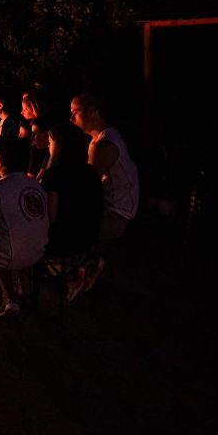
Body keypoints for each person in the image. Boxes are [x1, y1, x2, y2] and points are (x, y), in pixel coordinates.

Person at [70, 92, 139, 289]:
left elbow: (87, 188)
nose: (71, 118)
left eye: (76, 112)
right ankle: (84, 263)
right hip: (110, 207)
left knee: (65, 219)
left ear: (93, 112)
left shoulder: (105, 145)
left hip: (115, 215)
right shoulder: (98, 139)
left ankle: (81, 268)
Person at [0, 135, 49, 317]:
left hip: (7, 256)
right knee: (20, 228)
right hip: (38, 252)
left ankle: (9, 297)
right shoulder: (36, 185)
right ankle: (24, 287)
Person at [40, 122, 103, 300]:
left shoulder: (55, 174)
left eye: (51, 142)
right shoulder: (90, 171)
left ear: (60, 145)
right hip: (89, 236)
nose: (48, 145)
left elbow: (51, 217)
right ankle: (82, 265)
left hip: (64, 241)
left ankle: (67, 274)